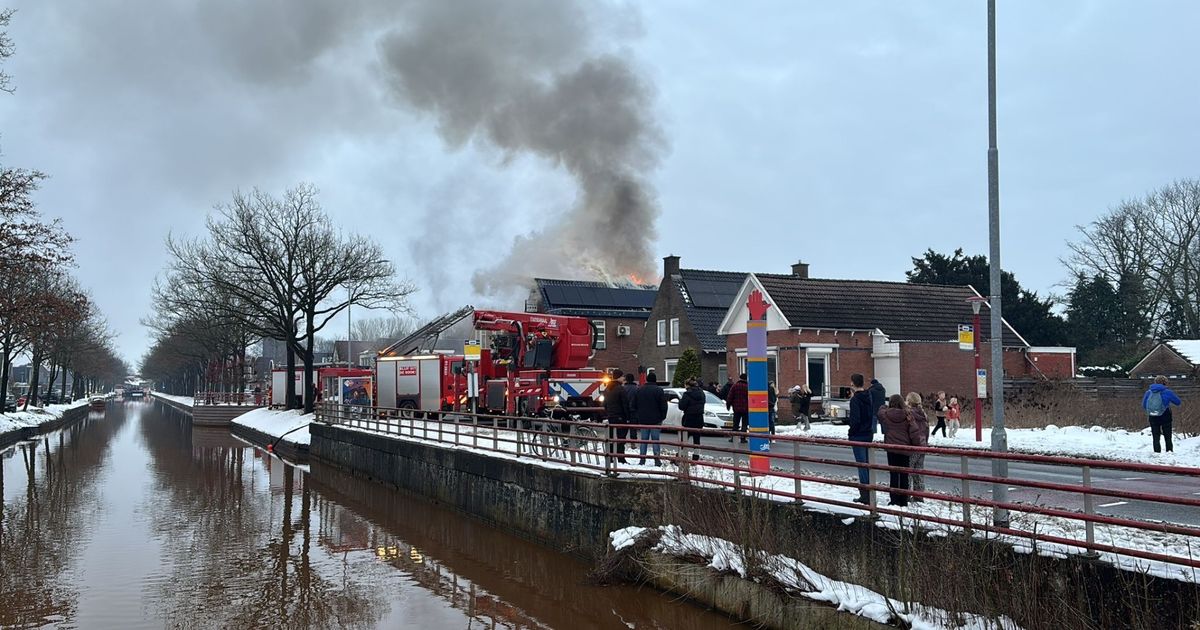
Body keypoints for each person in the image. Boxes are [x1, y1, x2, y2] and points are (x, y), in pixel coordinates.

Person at [878, 394, 918, 506]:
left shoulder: (886, 415)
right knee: (904, 475)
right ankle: (903, 500)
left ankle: (894, 499)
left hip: (891, 449)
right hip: (904, 448)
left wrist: (884, 406)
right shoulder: (908, 415)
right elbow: (914, 431)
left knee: (894, 474)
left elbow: (880, 412)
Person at [847, 373, 876, 505]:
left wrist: (851, 433)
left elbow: (855, 420)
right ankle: (870, 491)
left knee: (861, 465)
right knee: (868, 464)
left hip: (858, 435)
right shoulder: (869, 396)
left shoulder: (855, 400)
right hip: (868, 433)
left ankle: (865, 494)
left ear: (853, 383)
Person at [632, 371, 669, 465]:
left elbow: (633, 405)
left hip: (643, 419)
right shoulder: (659, 390)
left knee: (643, 440)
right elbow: (664, 406)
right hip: (656, 420)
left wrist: (638, 415)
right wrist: (662, 417)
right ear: (655, 380)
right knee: (655, 440)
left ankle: (642, 459)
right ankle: (657, 459)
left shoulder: (639, 390)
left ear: (647, 380)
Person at [1143, 375, 1182, 453]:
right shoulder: (1168, 392)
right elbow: (1178, 402)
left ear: (1155, 382)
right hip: (1165, 415)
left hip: (1152, 415)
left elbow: (1144, 405)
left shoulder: (1148, 392)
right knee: (1168, 436)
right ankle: (1169, 452)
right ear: (1165, 383)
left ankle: (1157, 453)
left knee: (1155, 436)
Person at [603, 369, 631, 463]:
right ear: (619, 377)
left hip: (611, 416)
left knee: (611, 437)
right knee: (621, 438)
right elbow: (625, 404)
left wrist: (609, 413)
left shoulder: (608, 388)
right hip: (620, 417)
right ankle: (620, 457)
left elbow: (605, 404)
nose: (624, 378)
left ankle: (610, 456)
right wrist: (627, 417)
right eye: (623, 376)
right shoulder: (620, 389)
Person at [905, 392, 929, 502]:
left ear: (909, 402)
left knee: (909, 471)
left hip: (913, 445)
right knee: (919, 471)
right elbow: (926, 431)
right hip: (922, 445)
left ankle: (907, 494)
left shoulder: (909, 414)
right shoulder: (923, 414)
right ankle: (919, 495)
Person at [679, 378, 707, 460]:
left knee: (684, 438)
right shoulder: (702, 393)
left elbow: (682, 406)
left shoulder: (687, 394)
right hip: (699, 418)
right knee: (697, 438)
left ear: (687, 385)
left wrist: (681, 401)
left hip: (689, 418)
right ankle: (696, 456)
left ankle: (681, 455)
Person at [726, 374, 749, 443]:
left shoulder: (735, 386)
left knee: (735, 424)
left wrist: (728, 405)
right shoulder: (748, 387)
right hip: (746, 408)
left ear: (740, 378)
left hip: (736, 408)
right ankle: (743, 438)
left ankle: (734, 438)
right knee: (744, 424)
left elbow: (730, 396)